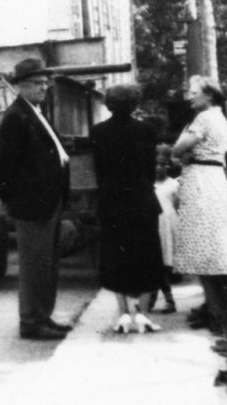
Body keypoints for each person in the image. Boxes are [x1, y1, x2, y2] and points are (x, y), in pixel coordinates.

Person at [0, 58, 73, 340]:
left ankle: (43, 316)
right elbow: (5, 165)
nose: (44, 87)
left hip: (47, 201)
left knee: (47, 265)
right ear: (20, 86)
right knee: (34, 267)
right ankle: (31, 321)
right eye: (37, 83)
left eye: (45, 83)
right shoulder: (16, 116)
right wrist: (13, 201)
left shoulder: (35, 112)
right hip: (32, 205)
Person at [171, 76, 227, 329]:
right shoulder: (219, 117)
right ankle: (214, 306)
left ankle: (216, 312)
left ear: (209, 95)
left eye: (194, 92)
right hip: (213, 178)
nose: (189, 96)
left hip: (202, 181)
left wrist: (183, 148)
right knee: (212, 243)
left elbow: (178, 148)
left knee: (203, 243)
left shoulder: (204, 118)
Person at [90, 83, 165, 334]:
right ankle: (142, 314)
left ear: (109, 104)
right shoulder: (147, 130)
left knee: (116, 255)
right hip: (142, 200)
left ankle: (123, 313)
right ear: (135, 104)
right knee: (147, 255)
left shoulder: (98, 131)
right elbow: (150, 169)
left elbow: (100, 170)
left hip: (112, 201)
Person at [151, 143, 179, 314]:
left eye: (163, 164)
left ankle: (165, 298)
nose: (159, 168)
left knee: (162, 264)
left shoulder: (173, 185)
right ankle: (160, 297)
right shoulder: (148, 184)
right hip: (153, 226)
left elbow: (177, 206)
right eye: (156, 164)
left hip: (167, 227)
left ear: (169, 165)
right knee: (155, 262)